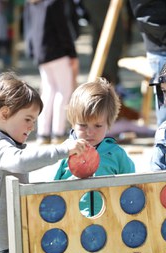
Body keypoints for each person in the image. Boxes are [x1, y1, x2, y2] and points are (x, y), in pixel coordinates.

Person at [0, 72, 89, 253]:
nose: (32, 126)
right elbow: (21, 161)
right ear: (5, 113)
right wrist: (62, 150)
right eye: (28, 119)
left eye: (34, 121)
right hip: (2, 244)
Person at [54, 77, 135, 217]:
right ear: (73, 123)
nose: (90, 132)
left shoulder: (117, 154)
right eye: (83, 125)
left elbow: (133, 187)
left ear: (109, 124)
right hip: (73, 223)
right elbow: (49, 190)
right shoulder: (63, 152)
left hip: (110, 221)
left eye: (98, 125)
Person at [23, 0, 79, 145]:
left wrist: (32, 51)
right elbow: (62, 27)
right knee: (63, 92)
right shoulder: (53, 2)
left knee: (48, 92)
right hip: (57, 52)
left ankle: (43, 133)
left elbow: (28, 27)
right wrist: (72, 52)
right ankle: (58, 132)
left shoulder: (31, 3)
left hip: (41, 52)